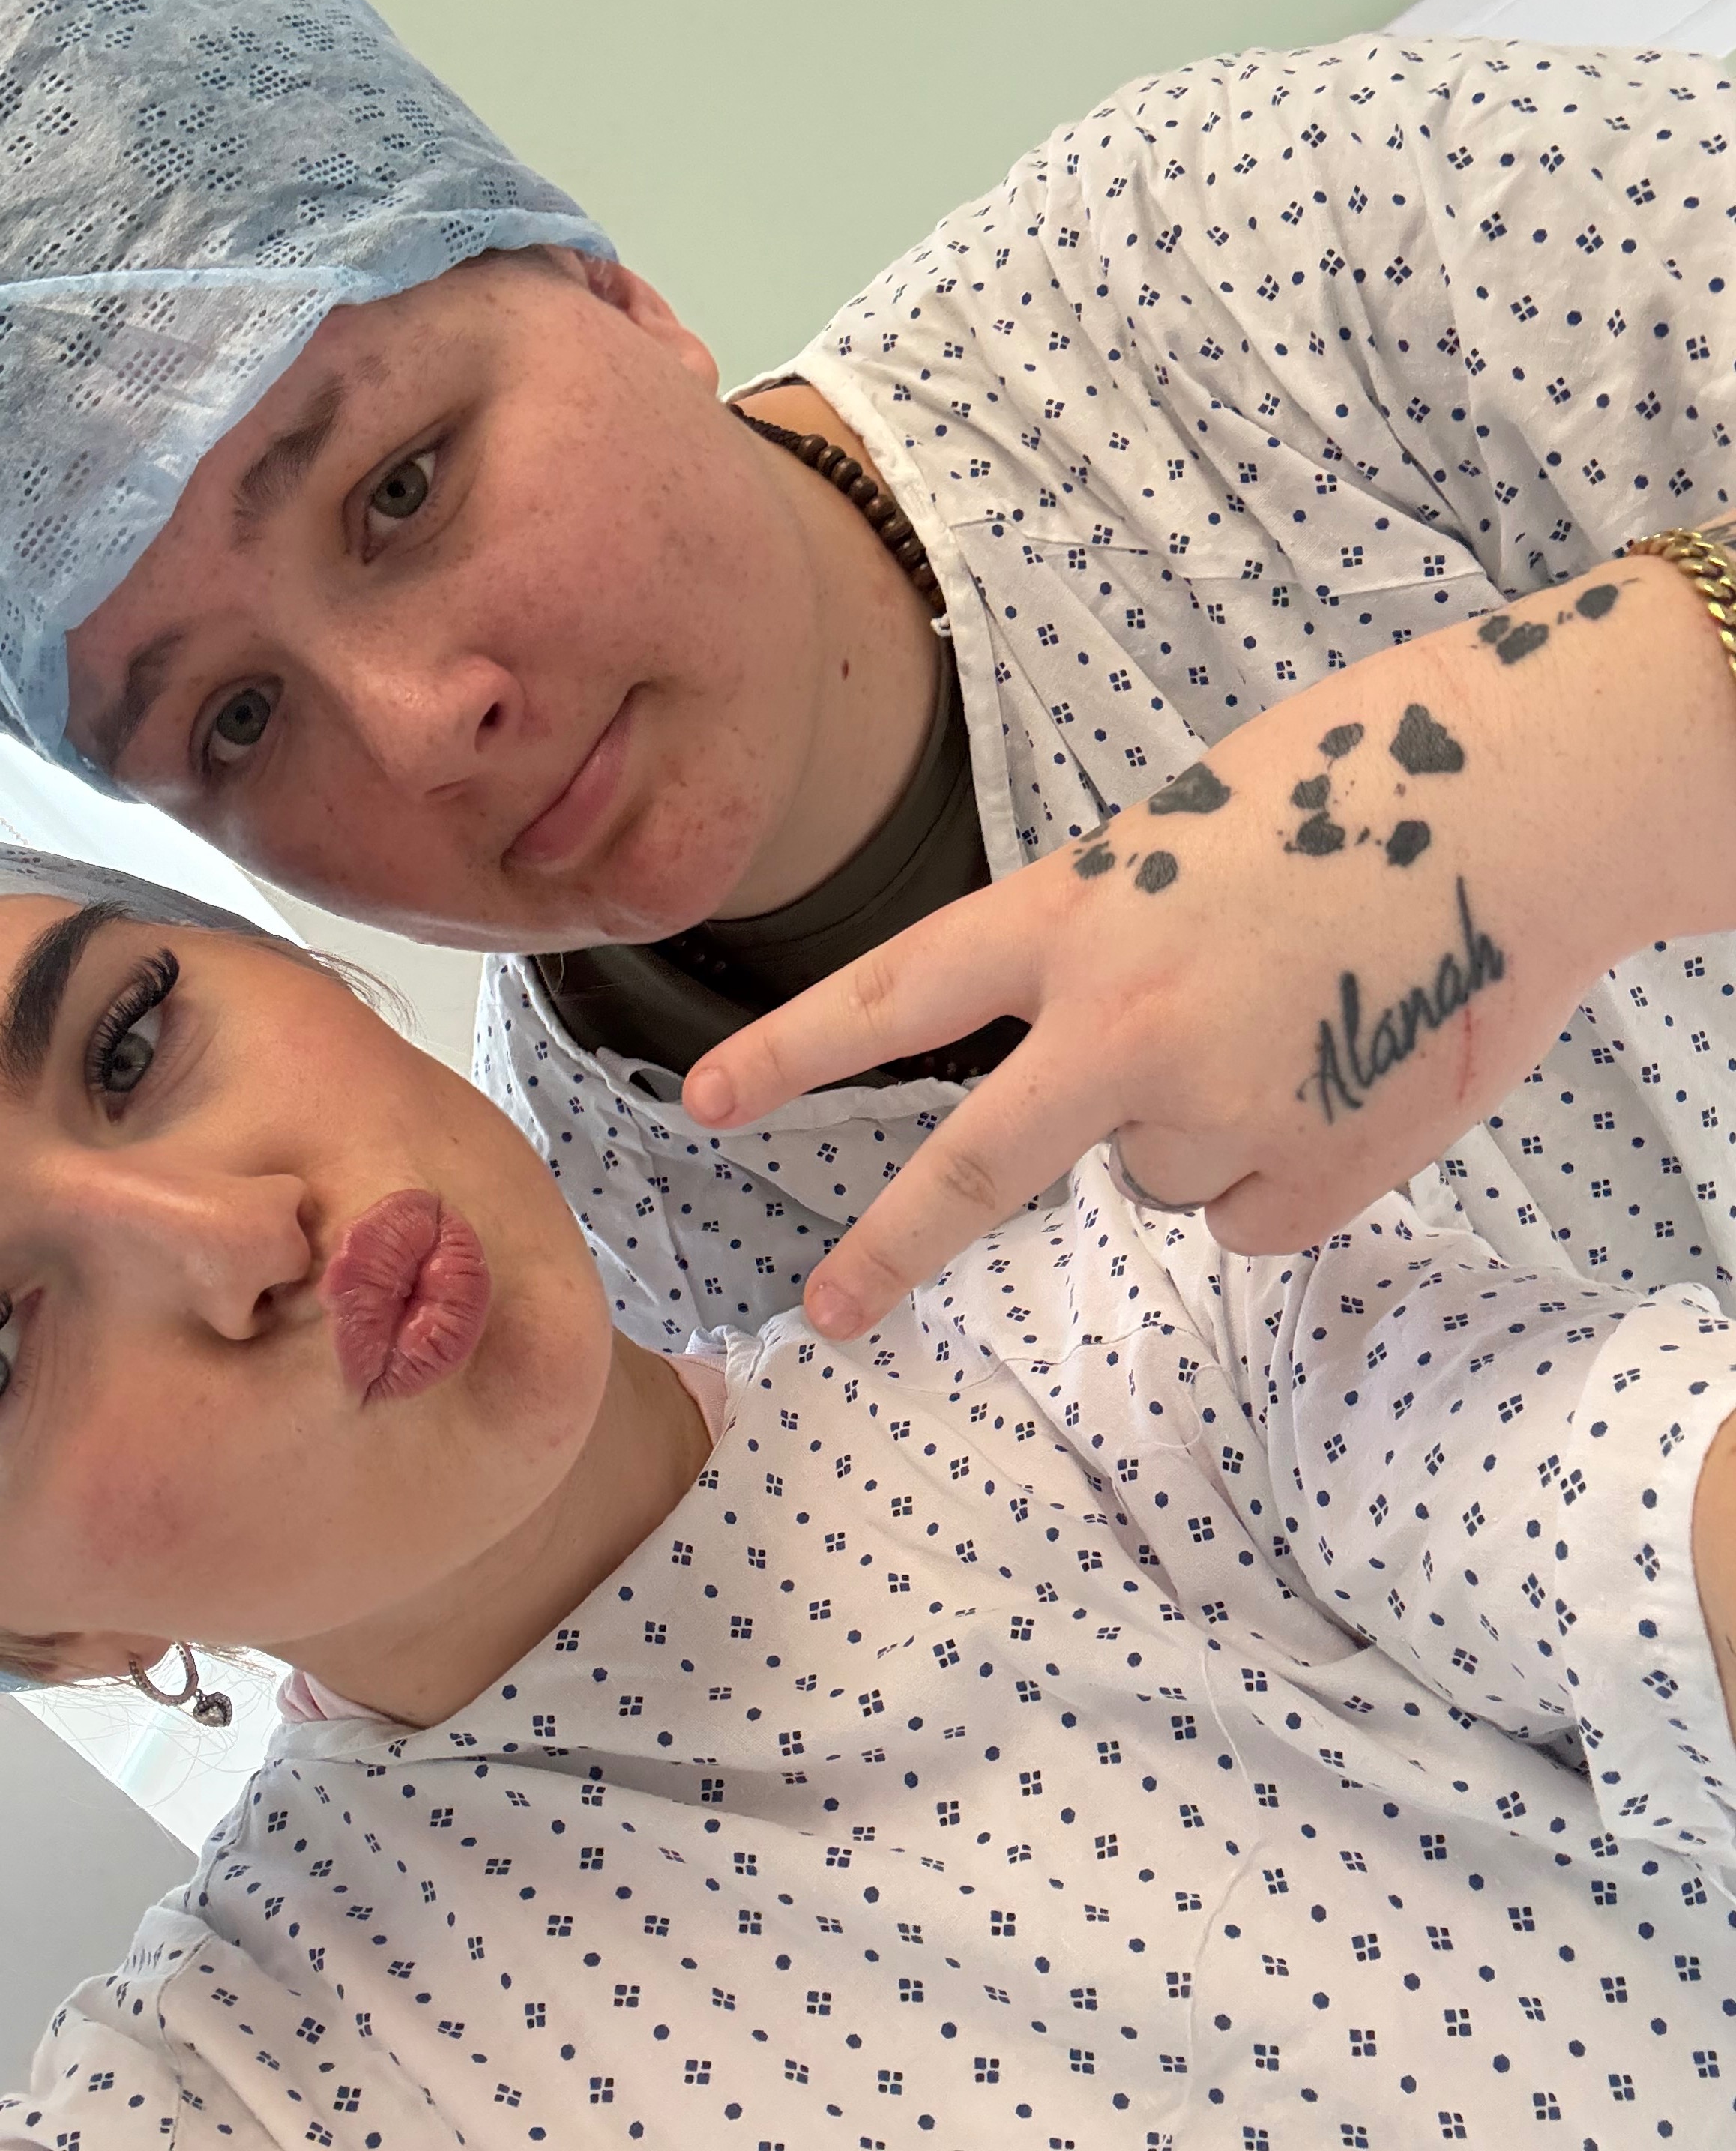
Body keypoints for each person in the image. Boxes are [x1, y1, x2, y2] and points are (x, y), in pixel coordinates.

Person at [8, 0, 1736, 1360]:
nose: (413, 725)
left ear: (614, 295)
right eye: (236, 721)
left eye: (400, 490)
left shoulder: (1243, 251)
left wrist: (1591, 746)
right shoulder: (613, 1265)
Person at [0, 843, 1734, 2150]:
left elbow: (1640, 1498)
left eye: (131, 1039)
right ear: (49, 1633)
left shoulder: (1135, 1327)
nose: (242, 1235)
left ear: (309, 975)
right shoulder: (233, 2080)